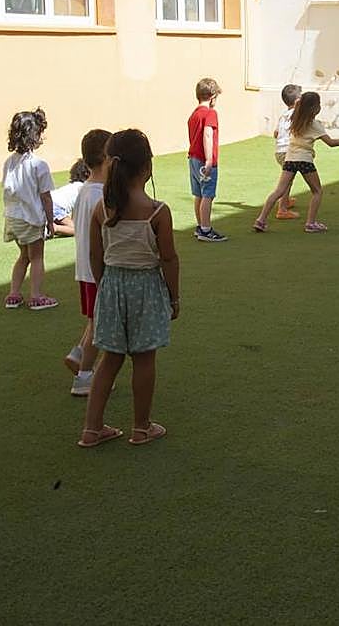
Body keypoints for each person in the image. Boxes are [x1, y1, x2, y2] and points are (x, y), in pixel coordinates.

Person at [79, 129, 180, 448]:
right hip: (146, 290)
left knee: (109, 359)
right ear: (147, 167)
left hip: (112, 286)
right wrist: (174, 296)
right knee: (144, 359)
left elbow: (96, 255)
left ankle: (91, 429)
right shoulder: (158, 212)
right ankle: (141, 426)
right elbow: (168, 258)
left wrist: (104, 285)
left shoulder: (103, 210)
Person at [252, 91, 339, 233]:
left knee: (279, 191)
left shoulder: (294, 118)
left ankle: (261, 220)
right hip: (305, 160)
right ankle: (310, 223)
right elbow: (331, 143)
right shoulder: (315, 125)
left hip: (290, 159)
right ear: (315, 108)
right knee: (317, 191)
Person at [64, 129, 111, 396]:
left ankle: (79, 355)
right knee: (98, 324)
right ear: (106, 158)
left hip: (85, 269)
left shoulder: (84, 191)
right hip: (97, 270)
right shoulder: (100, 195)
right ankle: (84, 377)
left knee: (95, 319)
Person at [2, 108, 57, 310]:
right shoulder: (39, 165)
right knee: (37, 257)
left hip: (13, 218)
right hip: (31, 218)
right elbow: (46, 197)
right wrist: (51, 222)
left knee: (23, 256)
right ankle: (36, 295)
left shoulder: (9, 163)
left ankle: (14, 294)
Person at [187, 78, 227, 242]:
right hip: (204, 161)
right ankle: (205, 229)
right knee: (208, 195)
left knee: (199, 194)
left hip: (193, 159)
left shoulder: (194, 115)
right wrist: (209, 160)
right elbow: (208, 134)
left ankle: (200, 225)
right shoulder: (211, 113)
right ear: (212, 97)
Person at [273, 84, 303, 219]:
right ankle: (282, 209)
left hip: (279, 151)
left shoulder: (283, 115)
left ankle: (285, 201)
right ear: (297, 101)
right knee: (287, 180)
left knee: (287, 178)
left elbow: (276, 133)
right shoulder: (297, 115)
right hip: (288, 151)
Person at [49, 159, 89, 237]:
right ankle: (54, 228)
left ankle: (54, 226)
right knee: (77, 230)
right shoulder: (82, 188)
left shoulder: (74, 186)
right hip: (56, 207)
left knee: (71, 226)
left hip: (50, 203)